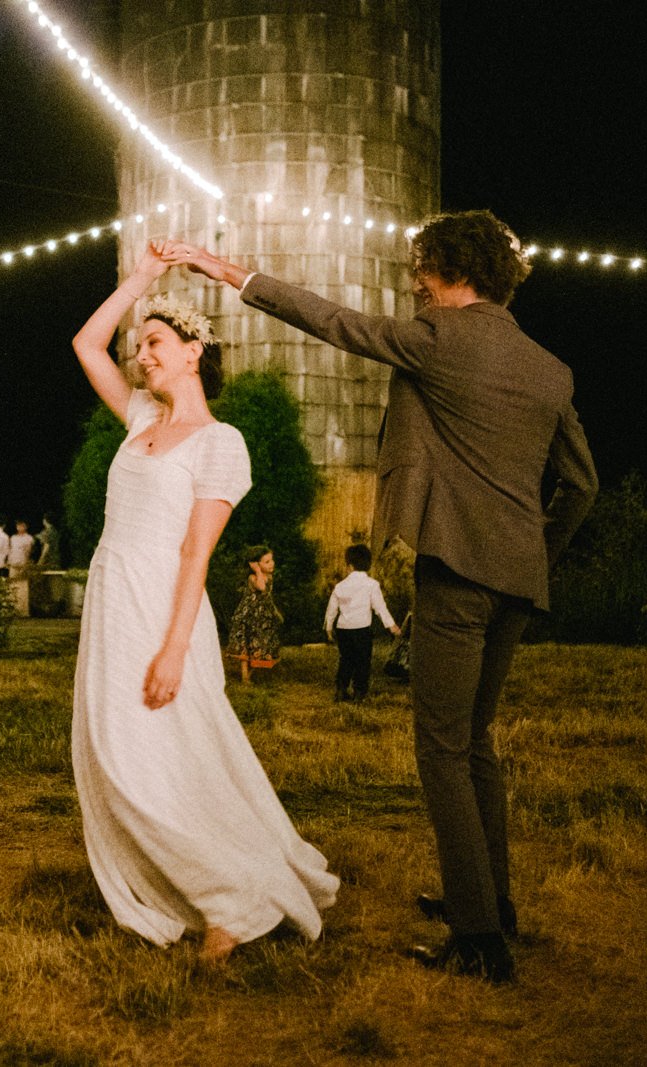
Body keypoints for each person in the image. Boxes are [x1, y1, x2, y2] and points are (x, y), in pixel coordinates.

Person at [160, 209, 597, 983]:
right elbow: (582, 486)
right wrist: (534, 551)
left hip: (458, 575)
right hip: (519, 580)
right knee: (478, 743)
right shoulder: (551, 368)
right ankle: (494, 904)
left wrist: (225, 271)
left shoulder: (437, 338)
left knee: (441, 748)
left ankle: (479, 941)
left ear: (451, 269)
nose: (414, 282)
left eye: (422, 269)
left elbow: (332, 321)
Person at [69, 243, 340, 965]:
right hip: (111, 601)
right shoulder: (136, 421)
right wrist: (142, 282)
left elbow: (196, 552)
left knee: (151, 757)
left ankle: (235, 899)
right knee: (116, 751)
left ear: (194, 352)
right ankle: (205, 885)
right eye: (140, 346)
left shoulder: (221, 443)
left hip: (164, 609)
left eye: (154, 341)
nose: (140, 354)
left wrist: (175, 646)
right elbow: (84, 342)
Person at [326, 543, 401, 702]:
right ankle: (359, 692)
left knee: (346, 659)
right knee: (362, 661)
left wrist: (328, 627)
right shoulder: (372, 585)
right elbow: (380, 608)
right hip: (361, 630)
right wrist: (391, 625)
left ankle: (341, 689)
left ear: (350, 566)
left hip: (343, 629)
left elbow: (332, 608)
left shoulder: (340, 586)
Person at [225, 544, 284, 684]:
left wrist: (275, 611)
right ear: (256, 564)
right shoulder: (253, 577)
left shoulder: (269, 576)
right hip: (249, 615)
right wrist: (257, 570)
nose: (272, 564)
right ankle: (245, 676)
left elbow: (267, 596)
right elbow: (262, 587)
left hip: (262, 616)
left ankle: (252, 671)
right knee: (246, 643)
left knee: (260, 642)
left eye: (272, 560)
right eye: (267, 562)